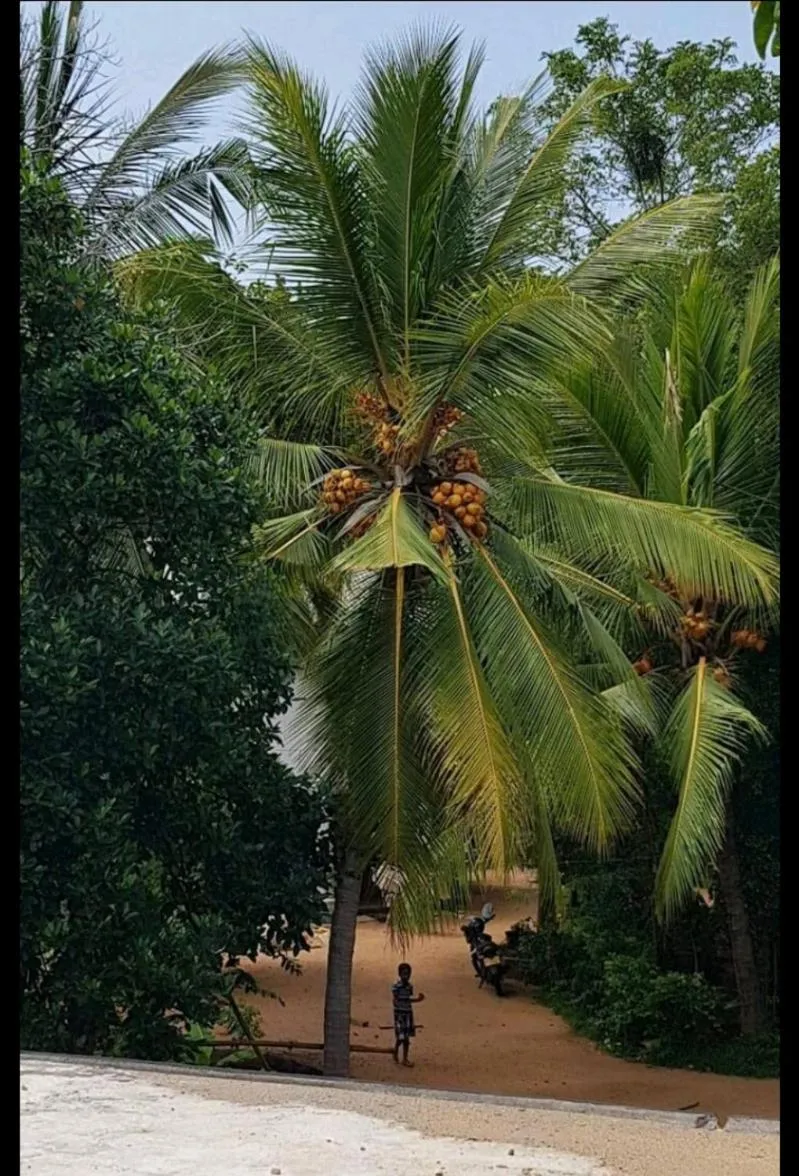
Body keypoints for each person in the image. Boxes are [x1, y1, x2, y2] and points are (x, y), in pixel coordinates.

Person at [391, 962, 424, 1066]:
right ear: (399, 974)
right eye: (404, 974)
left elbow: (408, 999)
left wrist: (418, 1000)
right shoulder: (396, 987)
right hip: (400, 1015)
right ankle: (396, 1051)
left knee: (406, 1038)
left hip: (408, 1014)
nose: (406, 976)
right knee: (401, 1037)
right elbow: (395, 1000)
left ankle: (404, 1058)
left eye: (408, 974)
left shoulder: (409, 987)